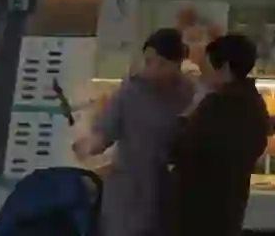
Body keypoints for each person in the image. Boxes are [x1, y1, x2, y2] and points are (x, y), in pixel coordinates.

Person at [73, 28, 194, 236]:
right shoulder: (130, 92)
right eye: (148, 62)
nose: (152, 69)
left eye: (161, 64)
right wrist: (89, 145)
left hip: (168, 194)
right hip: (128, 194)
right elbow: (105, 132)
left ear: (177, 64)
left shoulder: (188, 92)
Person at [165, 33, 269, 236]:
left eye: (207, 66)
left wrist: (185, 117)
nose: (204, 73)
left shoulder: (215, 106)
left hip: (198, 212)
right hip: (232, 208)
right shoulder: (255, 103)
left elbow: (178, 149)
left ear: (225, 68)